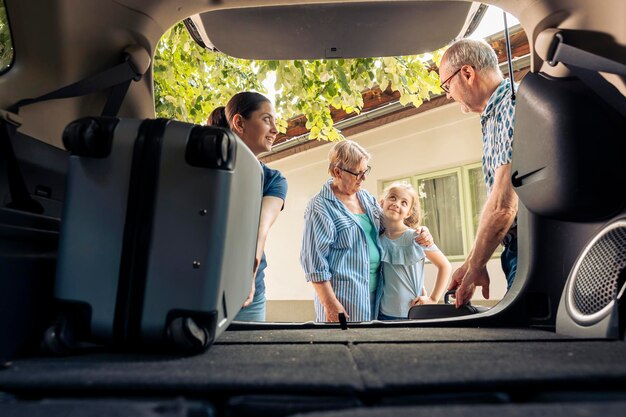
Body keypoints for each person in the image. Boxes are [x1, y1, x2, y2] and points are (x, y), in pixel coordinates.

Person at [300, 140, 433, 322]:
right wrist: (330, 304)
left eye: (365, 171)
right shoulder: (320, 207)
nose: (363, 178)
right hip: (344, 300)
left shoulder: (366, 198)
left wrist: (421, 232)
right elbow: (314, 263)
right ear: (337, 172)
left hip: (378, 298)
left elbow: (392, 229)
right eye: (358, 173)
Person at [438, 38, 518, 308]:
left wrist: (476, 265)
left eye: (446, 85)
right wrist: (472, 263)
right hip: (516, 247)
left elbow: (504, 206)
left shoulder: (512, 106)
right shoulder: (492, 116)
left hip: (535, 249)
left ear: (467, 73)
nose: (448, 94)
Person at [208, 93, 287, 321]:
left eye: (275, 121)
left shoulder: (273, 180)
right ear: (239, 123)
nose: (275, 129)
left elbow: (259, 231)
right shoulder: (202, 170)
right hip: (200, 284)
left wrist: (246, 278)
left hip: (249, 295)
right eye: (266, 120)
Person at [377, 182, 451, 320]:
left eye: (404, 202)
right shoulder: (378, 239)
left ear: (409, 213)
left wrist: (433, 299)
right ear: (382, 202)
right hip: (383, 315)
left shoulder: (417, 237)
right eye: (392, 197)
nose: (396, 203)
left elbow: (445, 266)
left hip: (413, 313)